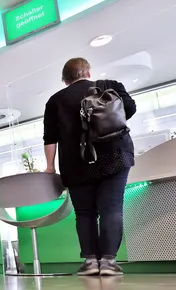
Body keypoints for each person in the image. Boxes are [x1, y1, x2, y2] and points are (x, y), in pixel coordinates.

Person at [42, 57, 137, 277]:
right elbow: (129, 110)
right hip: (115, 155)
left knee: (84, 213)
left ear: (65, 80)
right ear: (88, 72)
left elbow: (50, 138)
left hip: (77, 161)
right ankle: (109, 262)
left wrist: (50, 167)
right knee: (111, 208)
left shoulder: (55, 101)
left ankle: (91, 262)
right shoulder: (110, 86)